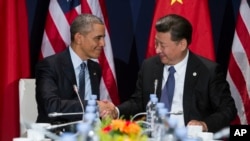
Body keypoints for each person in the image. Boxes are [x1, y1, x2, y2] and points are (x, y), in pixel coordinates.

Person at [110, 14, 237, 133]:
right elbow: (138, 102)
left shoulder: (208, 71)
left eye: (163, 45)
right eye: (156, 43)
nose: (157, 49)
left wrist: (204, 124)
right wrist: (116, 110)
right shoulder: (149, 66)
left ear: (182, 44)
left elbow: (228, 109)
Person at [35, 14, 114, 124]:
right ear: (79, 38)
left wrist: (104, 111)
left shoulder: (95, 68)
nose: (103, 43)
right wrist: (94, 106)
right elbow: (51, 106)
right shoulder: (50, 66)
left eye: (103, 38)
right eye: (98, 38)